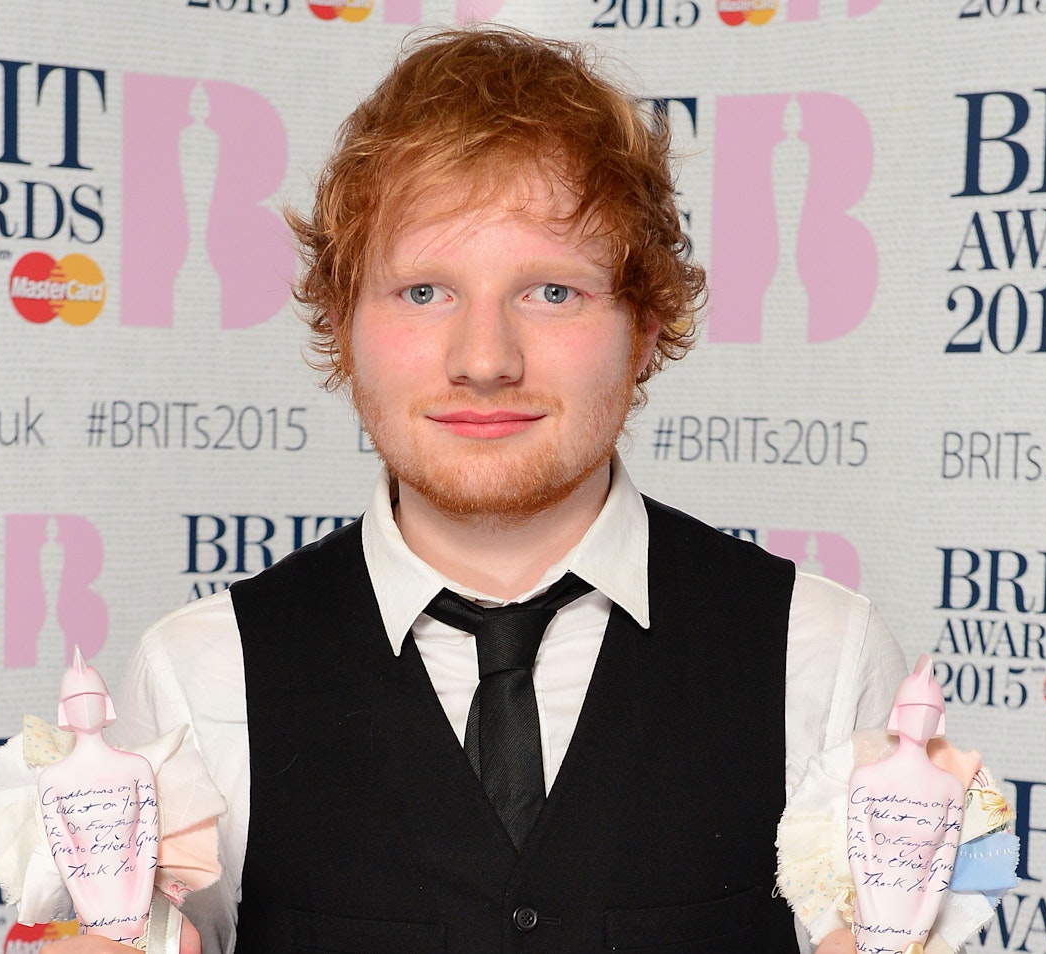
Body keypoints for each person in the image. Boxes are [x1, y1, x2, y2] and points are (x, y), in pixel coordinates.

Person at [59, 25, 907, 954]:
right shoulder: (198, 673)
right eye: (424, 292)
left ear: (648, 325)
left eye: (552, 293)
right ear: (342, 326)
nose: (485, 361)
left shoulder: (822, 655)